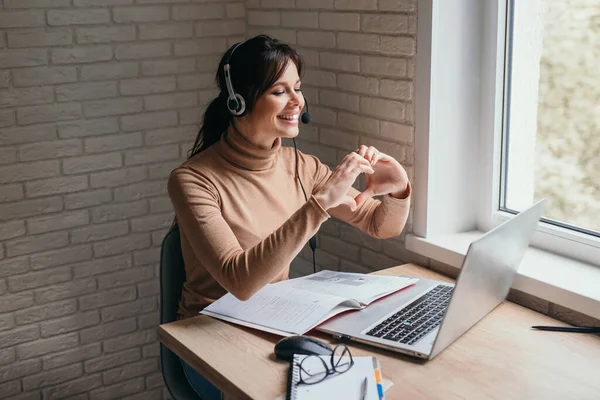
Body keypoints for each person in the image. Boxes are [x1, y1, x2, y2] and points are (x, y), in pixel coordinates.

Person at [167, 34, 412, 400]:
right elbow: (241, 281)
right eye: (279, 91)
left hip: (272, 324)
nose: (297, 101)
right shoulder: (193, 180)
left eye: (297, 88)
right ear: (239, 102)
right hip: (208, 337)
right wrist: (319, 205)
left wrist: (397, 189)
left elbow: (380, 225)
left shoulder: (301, 166)